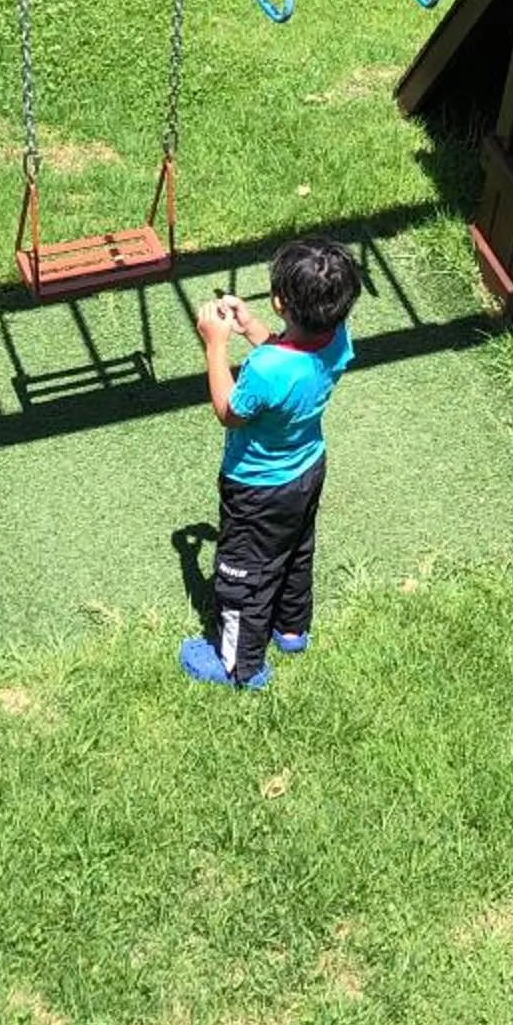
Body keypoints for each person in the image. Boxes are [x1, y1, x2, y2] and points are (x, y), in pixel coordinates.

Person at [181, 238, 360, 690]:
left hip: (258, 488)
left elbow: (229, 411)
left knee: (244, 573)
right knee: (296, 551)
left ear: (281, 302)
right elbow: (292, 352)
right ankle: (292, 629)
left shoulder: (264, 369)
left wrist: (216, 346)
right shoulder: (337, 338)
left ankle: (239, 664)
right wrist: (251, 327)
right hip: (307, 470)